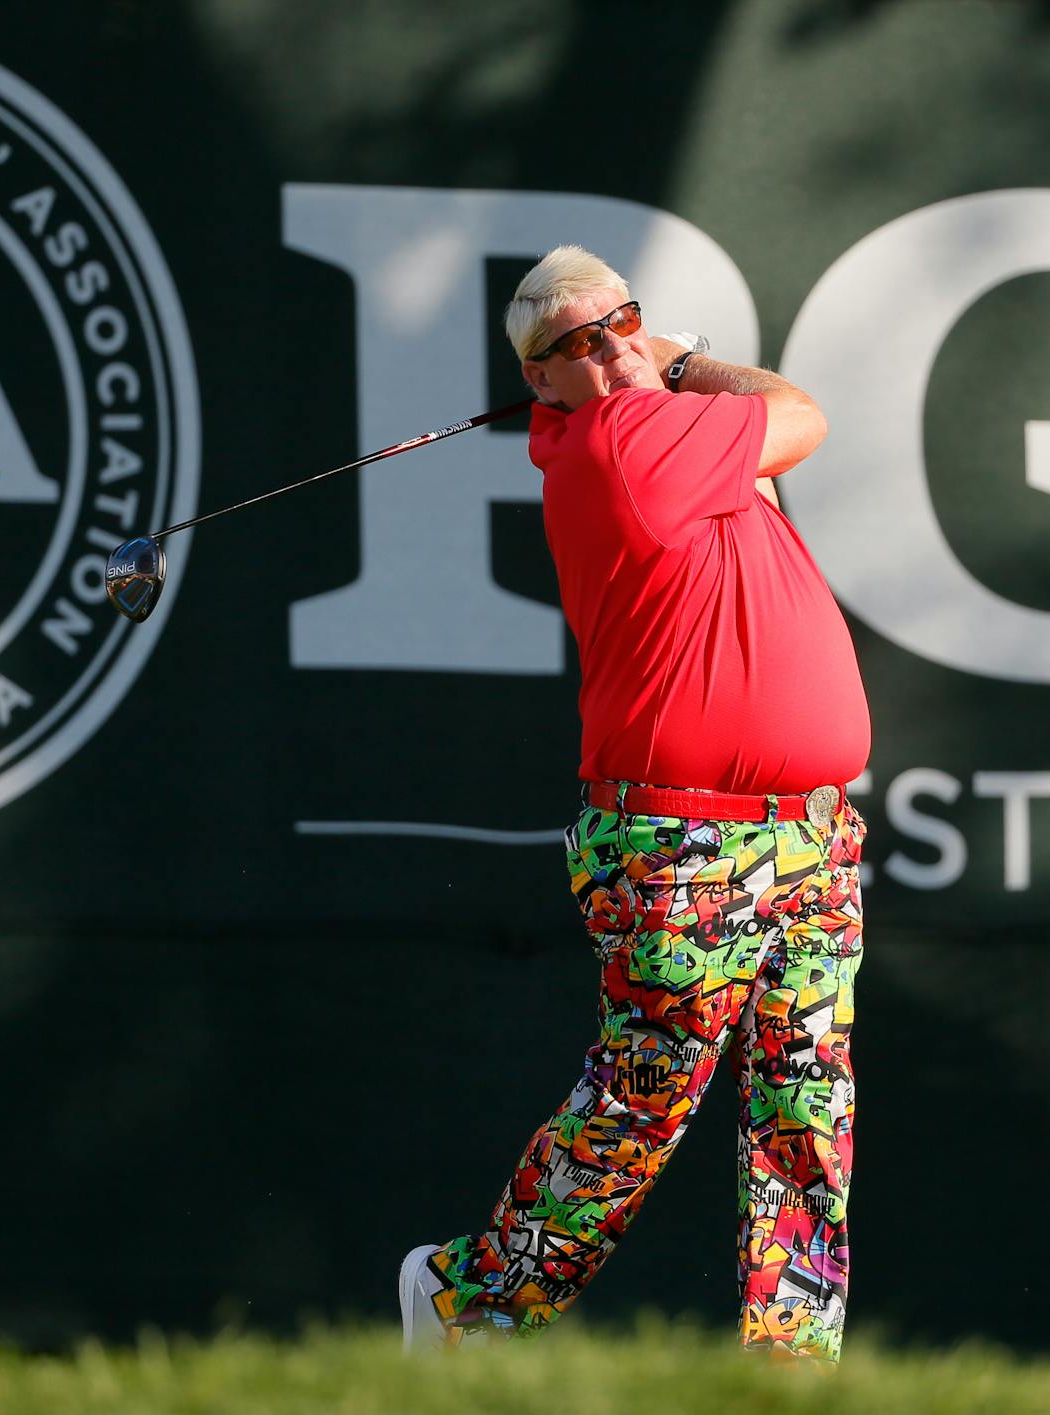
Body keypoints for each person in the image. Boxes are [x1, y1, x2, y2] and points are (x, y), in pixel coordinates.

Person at [398, 245, 871, 1363]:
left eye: (620, 322)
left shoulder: (672, 443)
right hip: (682, 835)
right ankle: (466, 1296)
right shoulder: (620, 438)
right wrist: (685, 358)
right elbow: (800, 413)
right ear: (543, 385)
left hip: (810, 829)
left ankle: (791, 1366)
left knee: (811, 1108)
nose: (608, 348)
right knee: (637, 1107)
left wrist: (664, 361)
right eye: (574, 344)